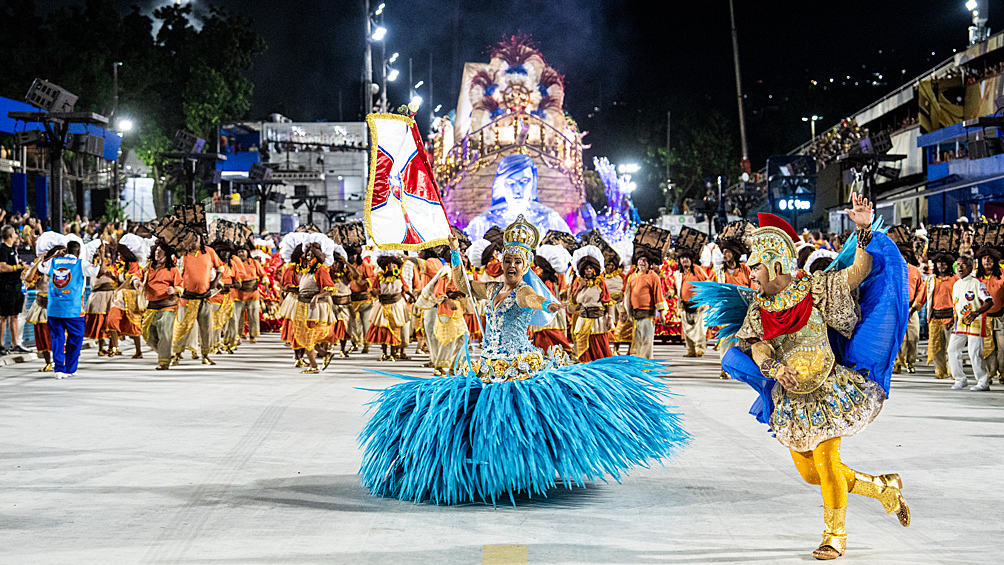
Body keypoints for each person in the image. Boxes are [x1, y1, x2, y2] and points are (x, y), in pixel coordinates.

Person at [358, 215, 689, 504]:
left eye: (519, 262)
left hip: (518, 366)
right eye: (509, 260)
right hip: (487, 363)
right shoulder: (491, 289)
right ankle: (493, 469)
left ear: (526, 265)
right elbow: (464, 285)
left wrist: (548, 306)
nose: (513, 266)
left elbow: (534, 298)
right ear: (502, 262)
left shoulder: (521, 292)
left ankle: (523, 469)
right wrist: (456, 259)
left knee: (515, 417)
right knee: (478, 419)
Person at [703, 198, 911, 560]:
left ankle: (835, 535)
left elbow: (859, 271)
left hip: (830, 390)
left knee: (828, 464)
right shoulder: (758, 309)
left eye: (755, 268)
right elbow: (758, 348)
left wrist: (863, 229)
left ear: (776, 263)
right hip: (791, 399)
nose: (750, 274)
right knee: (811, 474)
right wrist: (774, 369)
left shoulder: (817, 288)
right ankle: (883, 488)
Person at [43, 238, 102, 378]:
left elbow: (41, 266)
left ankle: (59, 369)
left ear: (66, 250)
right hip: (73, 309)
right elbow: (96, 271)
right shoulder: (80, 263)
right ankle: (70, 368)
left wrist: (55, 255)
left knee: (57, 338)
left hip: (54, 308)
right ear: (79, 251)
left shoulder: (54, 262)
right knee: (76, 338)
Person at [171, 231, 226, 365]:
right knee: (183, 327)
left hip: (205, 297)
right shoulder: (181, 255)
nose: (193, 242)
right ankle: (177, 355)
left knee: (206, 328)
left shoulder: (209, 252)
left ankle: (205, 355)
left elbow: (220, 268)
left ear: (201, 240)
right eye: (190, 239)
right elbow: (172, 272)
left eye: (196, 239)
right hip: (187, 298)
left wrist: (215, 282)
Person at [948, 255, 994, 391]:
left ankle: (983, 381)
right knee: (952, 350)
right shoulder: (956, 284)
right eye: (958, 264)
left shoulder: (977, 283)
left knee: (974, 352)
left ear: (971, 267)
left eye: (964, 264)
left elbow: (989, 301)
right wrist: (952, 320)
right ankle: (960, 379)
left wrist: (976, 313)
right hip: (960, 323)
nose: (960, 267)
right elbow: (956, 304)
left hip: (975, 322)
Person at [569, 245, 615, 362]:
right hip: (583, 319)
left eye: (591, 268)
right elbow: (573, 301)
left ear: (594, 269)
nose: (589, 270)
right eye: (586, 268)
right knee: (581, 344)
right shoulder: (578, 283)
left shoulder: (601, 283)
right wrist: (579, 287)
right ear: (582, 270)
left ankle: (600, 367)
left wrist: (609, 318)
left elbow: (607, 301)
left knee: (598, 343)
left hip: (598, 320)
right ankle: (585, 366)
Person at [142, 241, 183, 370]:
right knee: (147, 334)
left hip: (168, 306)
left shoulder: (173, 269)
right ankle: (167, 353)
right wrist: (136, 282)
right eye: (156, 251)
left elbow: (181, 286)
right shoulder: (147, 267)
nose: (157, 253)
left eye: (160, 251)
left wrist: (175, 289)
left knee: (165, 334)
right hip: (151, 306)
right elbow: (136, 276)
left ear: (166, 254)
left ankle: (164, 362)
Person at [625, 248, 666, 359]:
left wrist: (661, 314)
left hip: (647, 314)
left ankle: (646, 363)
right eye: (640, 260)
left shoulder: (653, 276)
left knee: (646, 341)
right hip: (635, 315)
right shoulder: (632, 276)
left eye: (644, 260)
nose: (642, 263)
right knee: (637, 341)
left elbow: (658, 295)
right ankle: (637, 363)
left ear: (649, 264)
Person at [926, 254, 959, 379]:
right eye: (939, 263)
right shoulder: (931, 280)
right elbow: (924, 296)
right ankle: (940, 371)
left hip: (951, 317)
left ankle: (953, 371)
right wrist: (913, 309)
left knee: (951, 347)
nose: (941, 266)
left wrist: (954, 317)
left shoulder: (955, 279)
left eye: (944, 263)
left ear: (949, 265)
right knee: (936, 347)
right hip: (935, 317)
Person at [895, 243, 926, 374]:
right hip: (895, 309)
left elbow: (921, 290)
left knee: (913, 337)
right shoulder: (890, 270)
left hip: (911, 309)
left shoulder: (914, 271)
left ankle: (910, 362)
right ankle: (896, 363)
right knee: (896, 338)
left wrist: (913, 308)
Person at [976, 246, 1004, 383]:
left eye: (990, 258)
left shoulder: (1003, 274)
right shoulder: (976, 277)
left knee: (1003, 348)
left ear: (995, 261)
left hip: (1001, 317)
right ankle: (989, 374)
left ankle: (1003, 374)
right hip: (983, 318)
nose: (987, 261)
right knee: (987, 348)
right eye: (984, 258)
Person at [0, 224, 29, 355]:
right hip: (6, 287)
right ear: (11, 235)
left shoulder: (13, 249)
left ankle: (15, 344)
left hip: (16, 287)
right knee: (3, 316)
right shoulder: (3, 249)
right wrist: (17, 267)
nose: (17, 236)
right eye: (15, 233)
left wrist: (22, 265)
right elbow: (2, 267)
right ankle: (0, 345)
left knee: (15, 315)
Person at [674, 247, 708, 357]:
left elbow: (707, 283)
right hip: (685, 305)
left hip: (699, 304)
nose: (684, 260)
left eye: (687, 258)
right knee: (687, 330)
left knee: (700, 329)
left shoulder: (697, 269)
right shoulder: (679, 274)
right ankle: (691, 351)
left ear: (691, 259)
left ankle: (700, 349)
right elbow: (676, 289)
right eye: (682, 258)